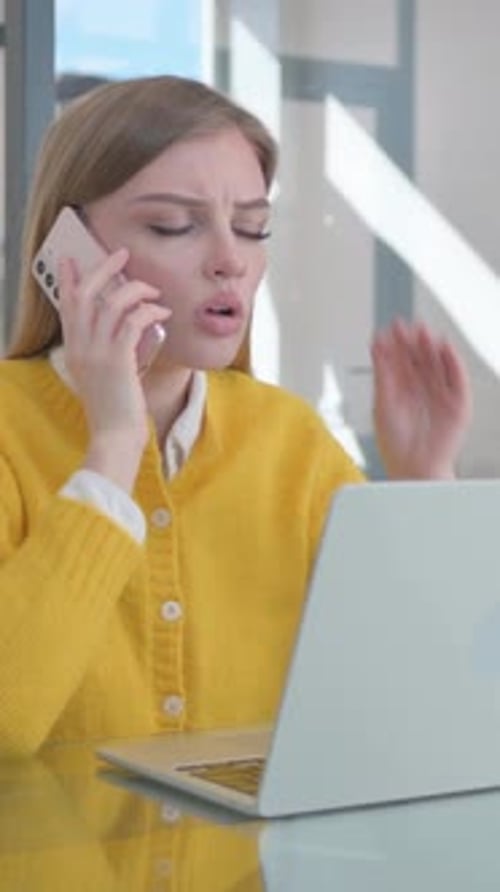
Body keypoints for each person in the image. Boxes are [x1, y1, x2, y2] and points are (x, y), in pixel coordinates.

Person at [0, 76, 472, 757]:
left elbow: (421, 695)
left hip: (258, 869)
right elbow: (7, 720)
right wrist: (114, 444)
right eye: (173, 225)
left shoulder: (292, 441)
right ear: (68, 252)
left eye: (253, 226)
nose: (230, 260)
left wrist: (426, 480)